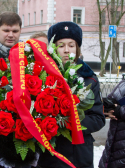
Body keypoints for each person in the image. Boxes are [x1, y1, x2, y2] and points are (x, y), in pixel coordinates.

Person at [35, 21, 105, 168]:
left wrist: (69, 123)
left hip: (79, 154)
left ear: (77, 48)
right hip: (51, 155)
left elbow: (98, 118)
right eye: (61, 45)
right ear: (53, 48)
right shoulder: (42, 76)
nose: (66, 50)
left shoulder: (89, 79)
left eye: (71, 45)